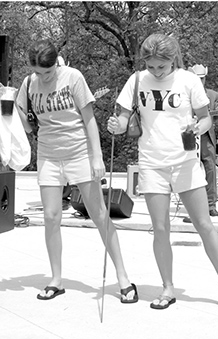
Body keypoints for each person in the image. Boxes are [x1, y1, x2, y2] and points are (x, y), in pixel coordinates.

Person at [106, 33, 218, 312]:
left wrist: (198, 127)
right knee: (160, 228)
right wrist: (117, 125)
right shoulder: (136, 80)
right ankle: (167, 287)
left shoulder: (188, 80)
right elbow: (123, 117)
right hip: (152, 163)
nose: (156, 71)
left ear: (174, 60)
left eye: (162, 66)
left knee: (204, 225)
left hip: (185, 162)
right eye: (151, 66)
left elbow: (205, 117)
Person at [15, 40, 137, 303]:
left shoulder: (73, 78)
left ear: (57, 63)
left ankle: (124, 278)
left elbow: (89, 119)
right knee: (50, 217)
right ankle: (56, 280)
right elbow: (28, 128)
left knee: (99, 214)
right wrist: (17, 107)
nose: (42, 77)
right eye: (37, 72)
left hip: (79, 152)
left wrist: (97, 157)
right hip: (48, 154)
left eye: (47, 73)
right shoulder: (28, 84)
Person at [185, 64, 218, 221]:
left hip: (206, 137)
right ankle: (192, 207)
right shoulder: (185, 93)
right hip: (189, 137)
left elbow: (217, 117)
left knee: (210, 170)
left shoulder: (213, 96)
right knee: (189, 170)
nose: (200, 81)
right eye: (197, 78)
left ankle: (211, 206)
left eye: (202, 78)